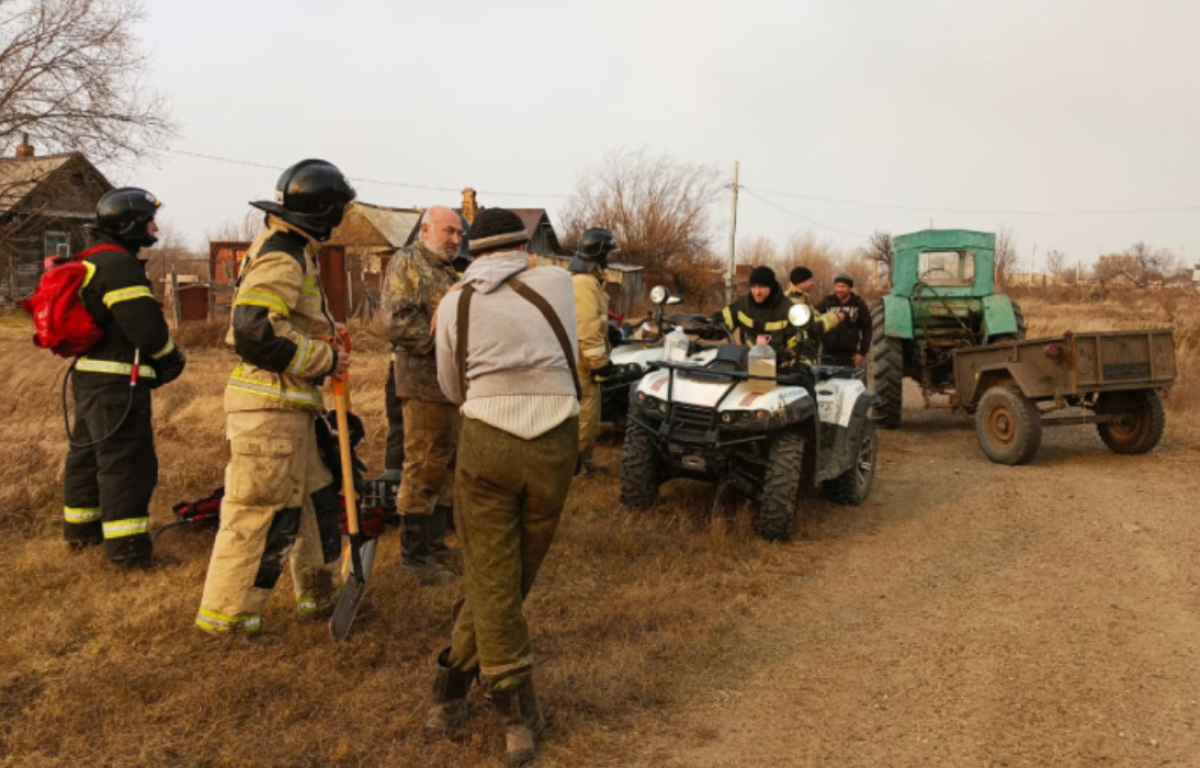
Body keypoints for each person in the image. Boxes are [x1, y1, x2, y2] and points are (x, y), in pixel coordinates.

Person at [424, 208, 579, 766]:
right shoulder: (559, 283)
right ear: (522, 245)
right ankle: (459, 697)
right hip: (556, 439)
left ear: (471, 249)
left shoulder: (455, 301)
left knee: (492, 578)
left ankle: (507, 718)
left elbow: (450, 384)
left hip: (488, 435)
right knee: (510, 579)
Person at [195, 159, 355, 644]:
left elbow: (285, 317)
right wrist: (325, 359)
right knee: (260, 512)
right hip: (269, 409)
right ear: (324, 210)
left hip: (290, 409)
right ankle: (228, 621)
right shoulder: (284, 252)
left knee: (314, 502)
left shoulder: (290, 248)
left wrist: (328, 334)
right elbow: (255, 331)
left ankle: (319, 595)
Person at [61, 187, 187, 568]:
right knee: (126, 463)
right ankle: (128, 552)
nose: (155, 226)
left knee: (87, 454)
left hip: (90, 377)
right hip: (118, 382)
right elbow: (146, 330)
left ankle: (82, 535)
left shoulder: (95, 259)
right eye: (149, 219)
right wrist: (171, 360)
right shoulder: (119, 266)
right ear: (130, 223)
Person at [380, 206, 464, 586]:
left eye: (459, 234)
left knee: (445, 462)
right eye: (449, 231)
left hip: (451, 384)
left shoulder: (450, 271)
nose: (455, 240)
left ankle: (434, 542)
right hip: (423, 381)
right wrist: (444, 343)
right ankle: (414, 556)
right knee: (425, 462)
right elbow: (398, 323)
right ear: (426, 229)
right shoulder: (408, 263)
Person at [567, 227, 618, 474]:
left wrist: (610, 331)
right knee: (585, 420)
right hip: (583, 364)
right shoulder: (585, 284)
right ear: (597, 255)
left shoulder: (589, 282)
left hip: (582, 360)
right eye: (607, 253)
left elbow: (595, 321)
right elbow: (586, 328)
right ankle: (573, 468)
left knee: (589, 417)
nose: (609, 258)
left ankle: (584, 464)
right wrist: (600, 362)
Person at [712, 265, 798, 363]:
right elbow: (723, 322)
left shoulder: (788, 309)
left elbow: (798, 346)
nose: (756, 292)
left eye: (761, 287)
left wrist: (793, 361)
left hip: (780, 372)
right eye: (753, 287)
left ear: (771, 287)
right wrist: (708, 327)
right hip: (746, 367)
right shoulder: (743, 304)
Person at [785, 266, 841, 366]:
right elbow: (814, 326)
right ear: (802, 282)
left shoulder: (801, 299)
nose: (812, 283)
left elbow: (815, 314)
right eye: (810, 280)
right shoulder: (794, 302)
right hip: (798, 355)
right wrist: (836, 317)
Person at [815, 273, 872, 368]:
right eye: (837, 286)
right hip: (828, 354)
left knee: (849, 382)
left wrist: (862, 353)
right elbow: (814, 319)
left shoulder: (858, 304)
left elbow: (867, 329)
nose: (839, 290)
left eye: (843, 286)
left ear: (850, 288)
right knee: (827, 382)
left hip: (849, 355)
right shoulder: (827, 302)